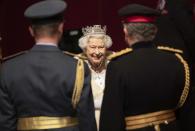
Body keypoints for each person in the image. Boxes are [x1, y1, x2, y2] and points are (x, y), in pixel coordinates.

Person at [0, 0, 96, 131]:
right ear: (61, 28)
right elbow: (86, 119)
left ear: (31, 31)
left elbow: (5, 123)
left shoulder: (8, 68)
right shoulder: (77, 67)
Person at [100, 3, 194, 131]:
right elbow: (188, 113)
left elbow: (112, 118)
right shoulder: (177, 61)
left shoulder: (118, 66)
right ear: (154, 31)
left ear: (125, 31)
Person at [75, 25, 113, 130]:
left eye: (101, 47)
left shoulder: (113, 64)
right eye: (92, 47)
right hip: (85, 122)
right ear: (85, 48)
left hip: (111, 120)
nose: (97, 52)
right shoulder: (77, 66)